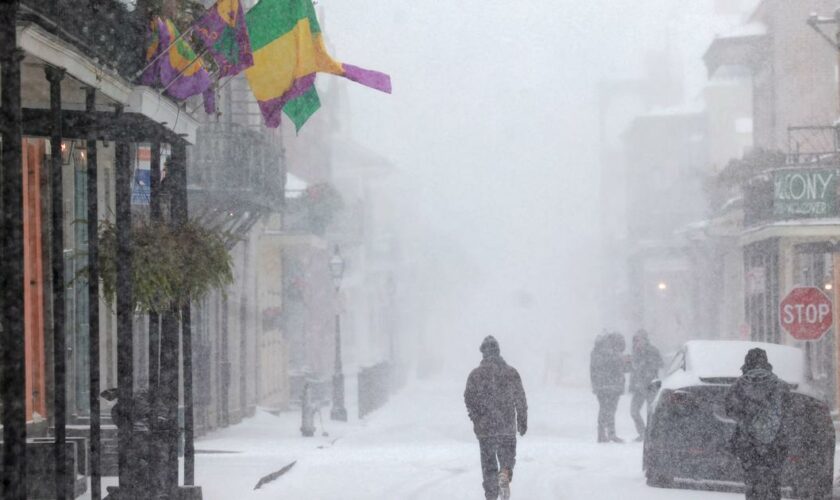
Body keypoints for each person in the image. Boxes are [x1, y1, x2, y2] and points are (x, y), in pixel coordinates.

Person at [464, 336, 528, 500]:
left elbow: (469, 399)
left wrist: (477, 419)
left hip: (486, 430)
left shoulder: (475, 375)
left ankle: (491, 495)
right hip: (506, 427)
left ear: (483, 353)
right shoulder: (510, 373)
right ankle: (505, 473)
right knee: (507, 458)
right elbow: (520, 398)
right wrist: (522, 421)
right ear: (498, 351)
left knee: (488, 466)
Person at [725, 348, 789, 500]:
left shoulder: (739, 385)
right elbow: (788, 411)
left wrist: (747, 418)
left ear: (747, 363)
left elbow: (730, 409)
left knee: (752, 481)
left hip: (748, 443)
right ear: (766, 363)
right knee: (773, 482)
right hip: (775, 443)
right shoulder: (780, 386)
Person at [590, 332, 627, 443]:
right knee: (606, 410)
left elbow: (620, 369)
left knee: (609, 410)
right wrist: (620, 359)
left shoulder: (604, 352)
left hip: (610, 386)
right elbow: (608, 366)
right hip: (607, 386)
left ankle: (609, 434)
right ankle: (603, 434)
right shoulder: (603, 352)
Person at [628, 329, 662, 441]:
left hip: (650, 387)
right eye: (636, 340)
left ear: (645, 340)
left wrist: (646, 365)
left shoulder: (653, 351)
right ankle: (642, 433)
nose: (637, 342)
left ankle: (651, 435)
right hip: (638, 387)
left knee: (651, 412)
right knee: (634, 411)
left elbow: (660, 364)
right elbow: (632, 369)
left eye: (640, 339)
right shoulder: (634, 352)